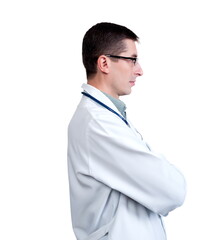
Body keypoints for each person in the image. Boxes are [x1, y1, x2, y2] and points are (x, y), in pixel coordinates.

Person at [67, 22, 186, 240]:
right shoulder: (99, 125)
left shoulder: (105, 117)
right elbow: (173, 191)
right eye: (132, 60)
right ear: (104, 63)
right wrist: (161, 168)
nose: (139, 70)